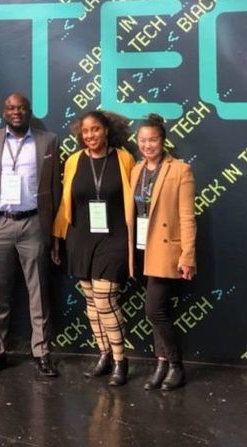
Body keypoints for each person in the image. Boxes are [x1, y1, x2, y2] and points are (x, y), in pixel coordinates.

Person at [0, 92, 62, 378]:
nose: (16, 112)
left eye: (22, 108)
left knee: (38, 292)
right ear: (4, 112)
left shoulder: (48, 141)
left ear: (29, 111)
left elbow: (55, 187)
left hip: (33, 224)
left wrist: (53, 231)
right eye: (11, 108)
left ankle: (42, 352)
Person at [52, 110, 136, 386]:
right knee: (90, 303)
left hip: (114, 238)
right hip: (80, 238)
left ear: (107, 130)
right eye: (86, 131)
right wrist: (57, 237)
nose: (90, 135)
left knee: (104, 299)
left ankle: (121, 360)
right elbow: (66, 203)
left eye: (96, 129)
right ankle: (104, 354)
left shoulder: (123, 158)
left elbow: (134, 200)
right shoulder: (74, 160)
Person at [132, 113, 197, 391]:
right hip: (141, 248)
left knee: (154, 309)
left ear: (163, 140)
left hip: (165, 248)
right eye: (142, 140)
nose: (147, 145)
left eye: (153, 140)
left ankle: (176, 365)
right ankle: (161, 363)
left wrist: (188, 256)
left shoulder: (180, 169)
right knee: (158, 311)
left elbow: (187, 216)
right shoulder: (136, 169)